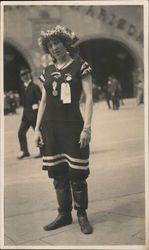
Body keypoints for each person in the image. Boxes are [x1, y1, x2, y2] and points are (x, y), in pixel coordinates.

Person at [35, 25, 93, 234]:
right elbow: (43, 102)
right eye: (50, 45)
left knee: (77, 174)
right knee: (58, 173)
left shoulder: (80, 66)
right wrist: (37, 130)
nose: (54, 47)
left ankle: (82, 215)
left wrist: (86, 128)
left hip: (73, 127)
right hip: (51, 128)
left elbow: (88, 98)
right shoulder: (48, 71)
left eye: (57, 42)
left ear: (65, 43)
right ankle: (64, 214)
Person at [17, 67, 42, 159]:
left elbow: (41, 99)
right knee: (20, 133)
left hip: (34, 115)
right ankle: (24, 151)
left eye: (25, 74)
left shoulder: (34, 87)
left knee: (39, 133)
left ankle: (42, 152)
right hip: (26, 116)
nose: (24, 76)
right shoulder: (22, 88)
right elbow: (23, 102)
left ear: (29, 75)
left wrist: (37, 110)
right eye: (22, 75)